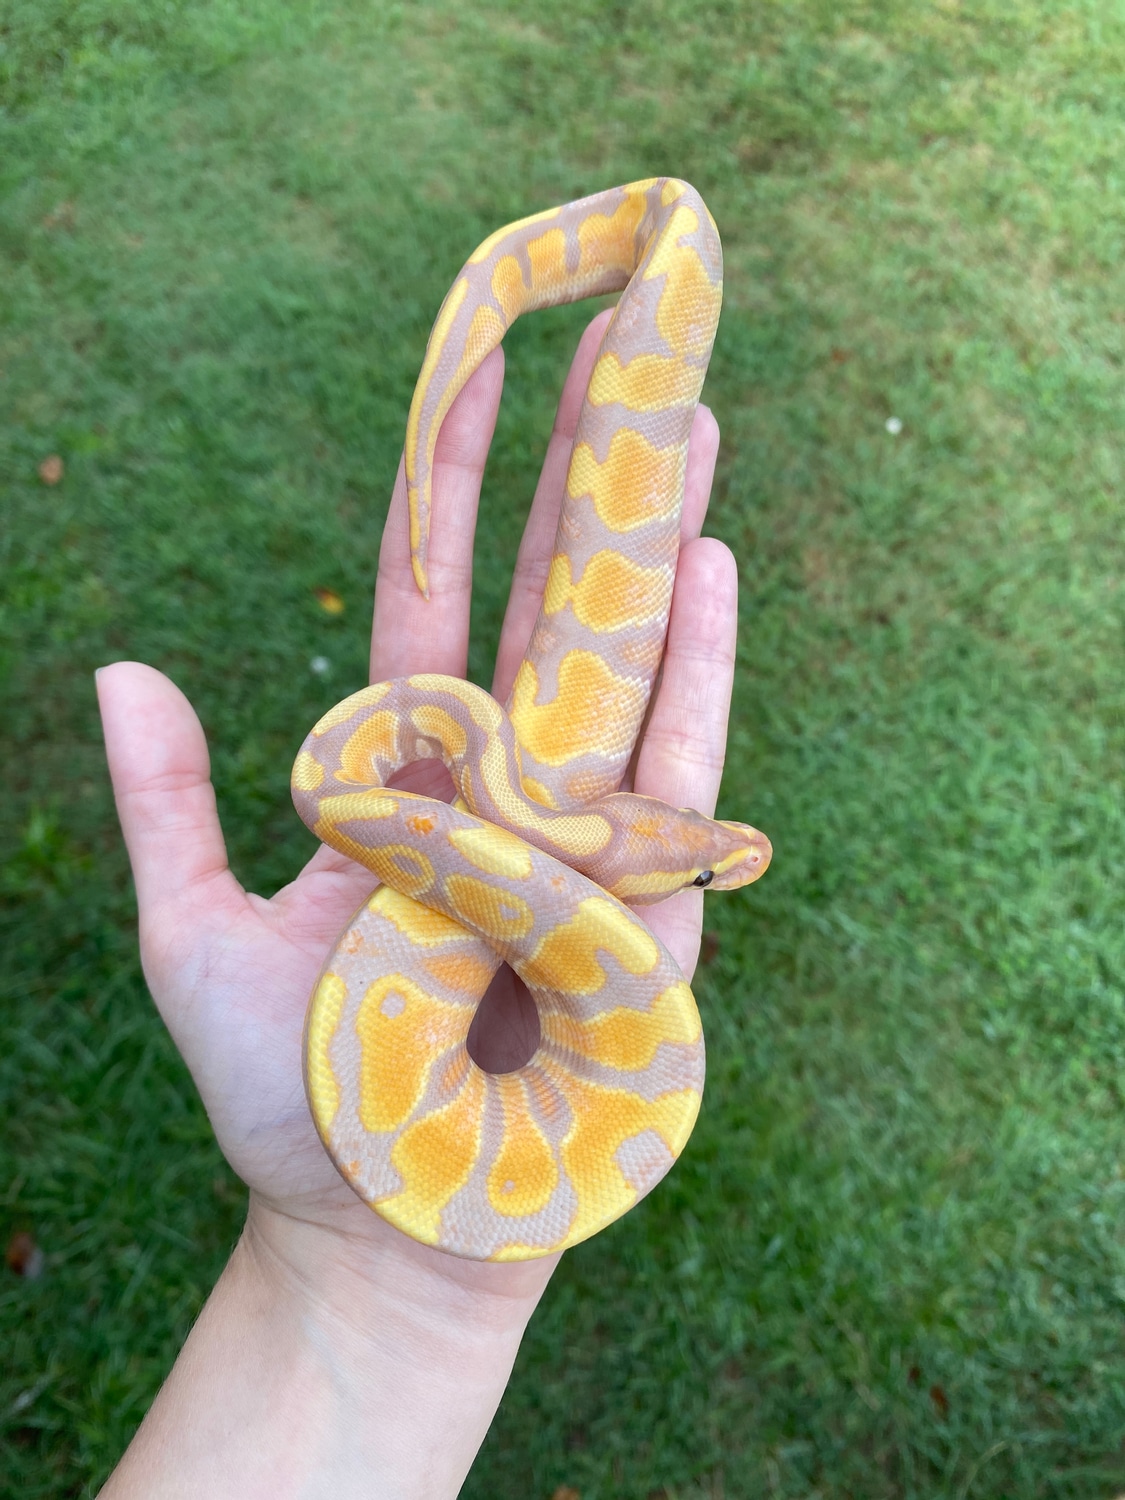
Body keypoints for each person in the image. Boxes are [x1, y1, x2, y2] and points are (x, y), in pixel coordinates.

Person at [96, 309, 742, 1498]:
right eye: (699, 867)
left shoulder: (497, 837)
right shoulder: (487, 840)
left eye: (698, 862)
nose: (723, 862)